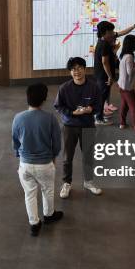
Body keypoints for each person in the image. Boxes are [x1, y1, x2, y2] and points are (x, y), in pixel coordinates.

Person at [12, 83, 64, 236]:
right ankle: (49, 215)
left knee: (30, 194)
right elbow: (57, 143)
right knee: (47, 190)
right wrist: (53, 158)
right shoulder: (50, 119)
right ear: (44, 99)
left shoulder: (18, 118)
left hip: (25, 165)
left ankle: (34, 223)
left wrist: (19, 156)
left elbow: (15, 141)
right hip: (45, 164)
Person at [54, 57, 102, 198]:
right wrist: (72, 112)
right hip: (70, 126)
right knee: (67, 157)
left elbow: (99, 105)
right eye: (74, 69)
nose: (77, 71)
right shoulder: (64, 88)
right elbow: (58, 106)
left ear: (85, 69)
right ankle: (66, 183)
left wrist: (91, 109)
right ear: (70, 72)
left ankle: (88, 181)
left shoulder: (93, 87)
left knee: (88, 155)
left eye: (80, 68)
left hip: (88, 125)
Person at [93, 20, 135, 125]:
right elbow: (104, 62)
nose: (113, 33)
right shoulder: (104, 45)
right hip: (103, 76)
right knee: (102, 96)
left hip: (101, 75)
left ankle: (99, 115)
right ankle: (98, 118)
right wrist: (110, 76)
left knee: (103, 95)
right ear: (105, 32)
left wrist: (134, 26)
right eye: (111, 31)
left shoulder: (104, 40)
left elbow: (122, 33)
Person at [117, 35, 135, 138]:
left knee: (124, 104)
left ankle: (122, 123)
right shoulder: (129, 56)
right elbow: (130, 72)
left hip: (122, 85)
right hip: (127, 87)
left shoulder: (124, 55)